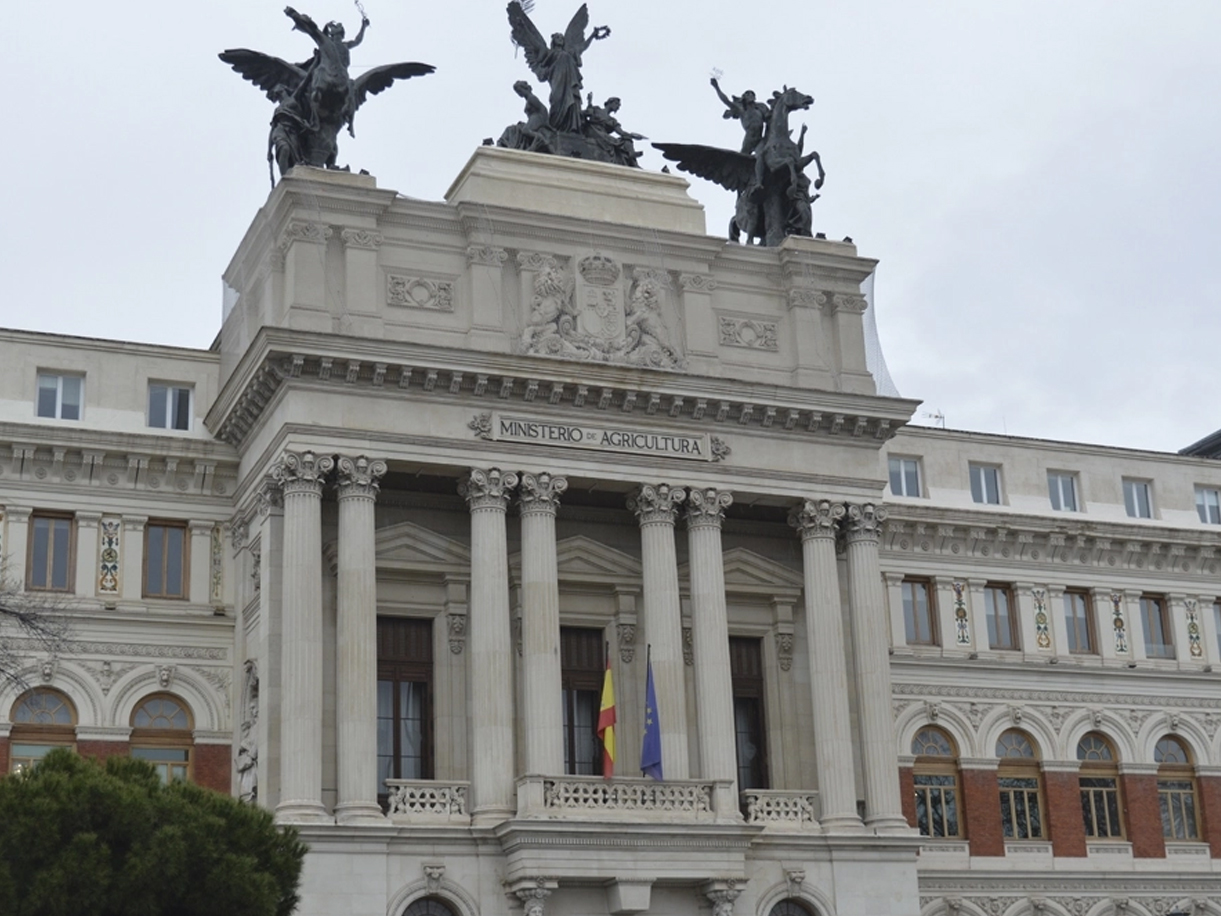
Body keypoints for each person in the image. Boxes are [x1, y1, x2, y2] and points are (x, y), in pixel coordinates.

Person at [710, 78, 770, 155]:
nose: (750, 95)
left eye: (752, 94)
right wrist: (717, 87)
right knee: (743, 156)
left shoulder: (761, 107)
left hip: (760, 137)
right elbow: (726, 100)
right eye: (747, 94)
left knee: (763, 155)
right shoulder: (741, 109)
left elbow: (769, 118)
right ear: (744, 97)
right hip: (750, 136)